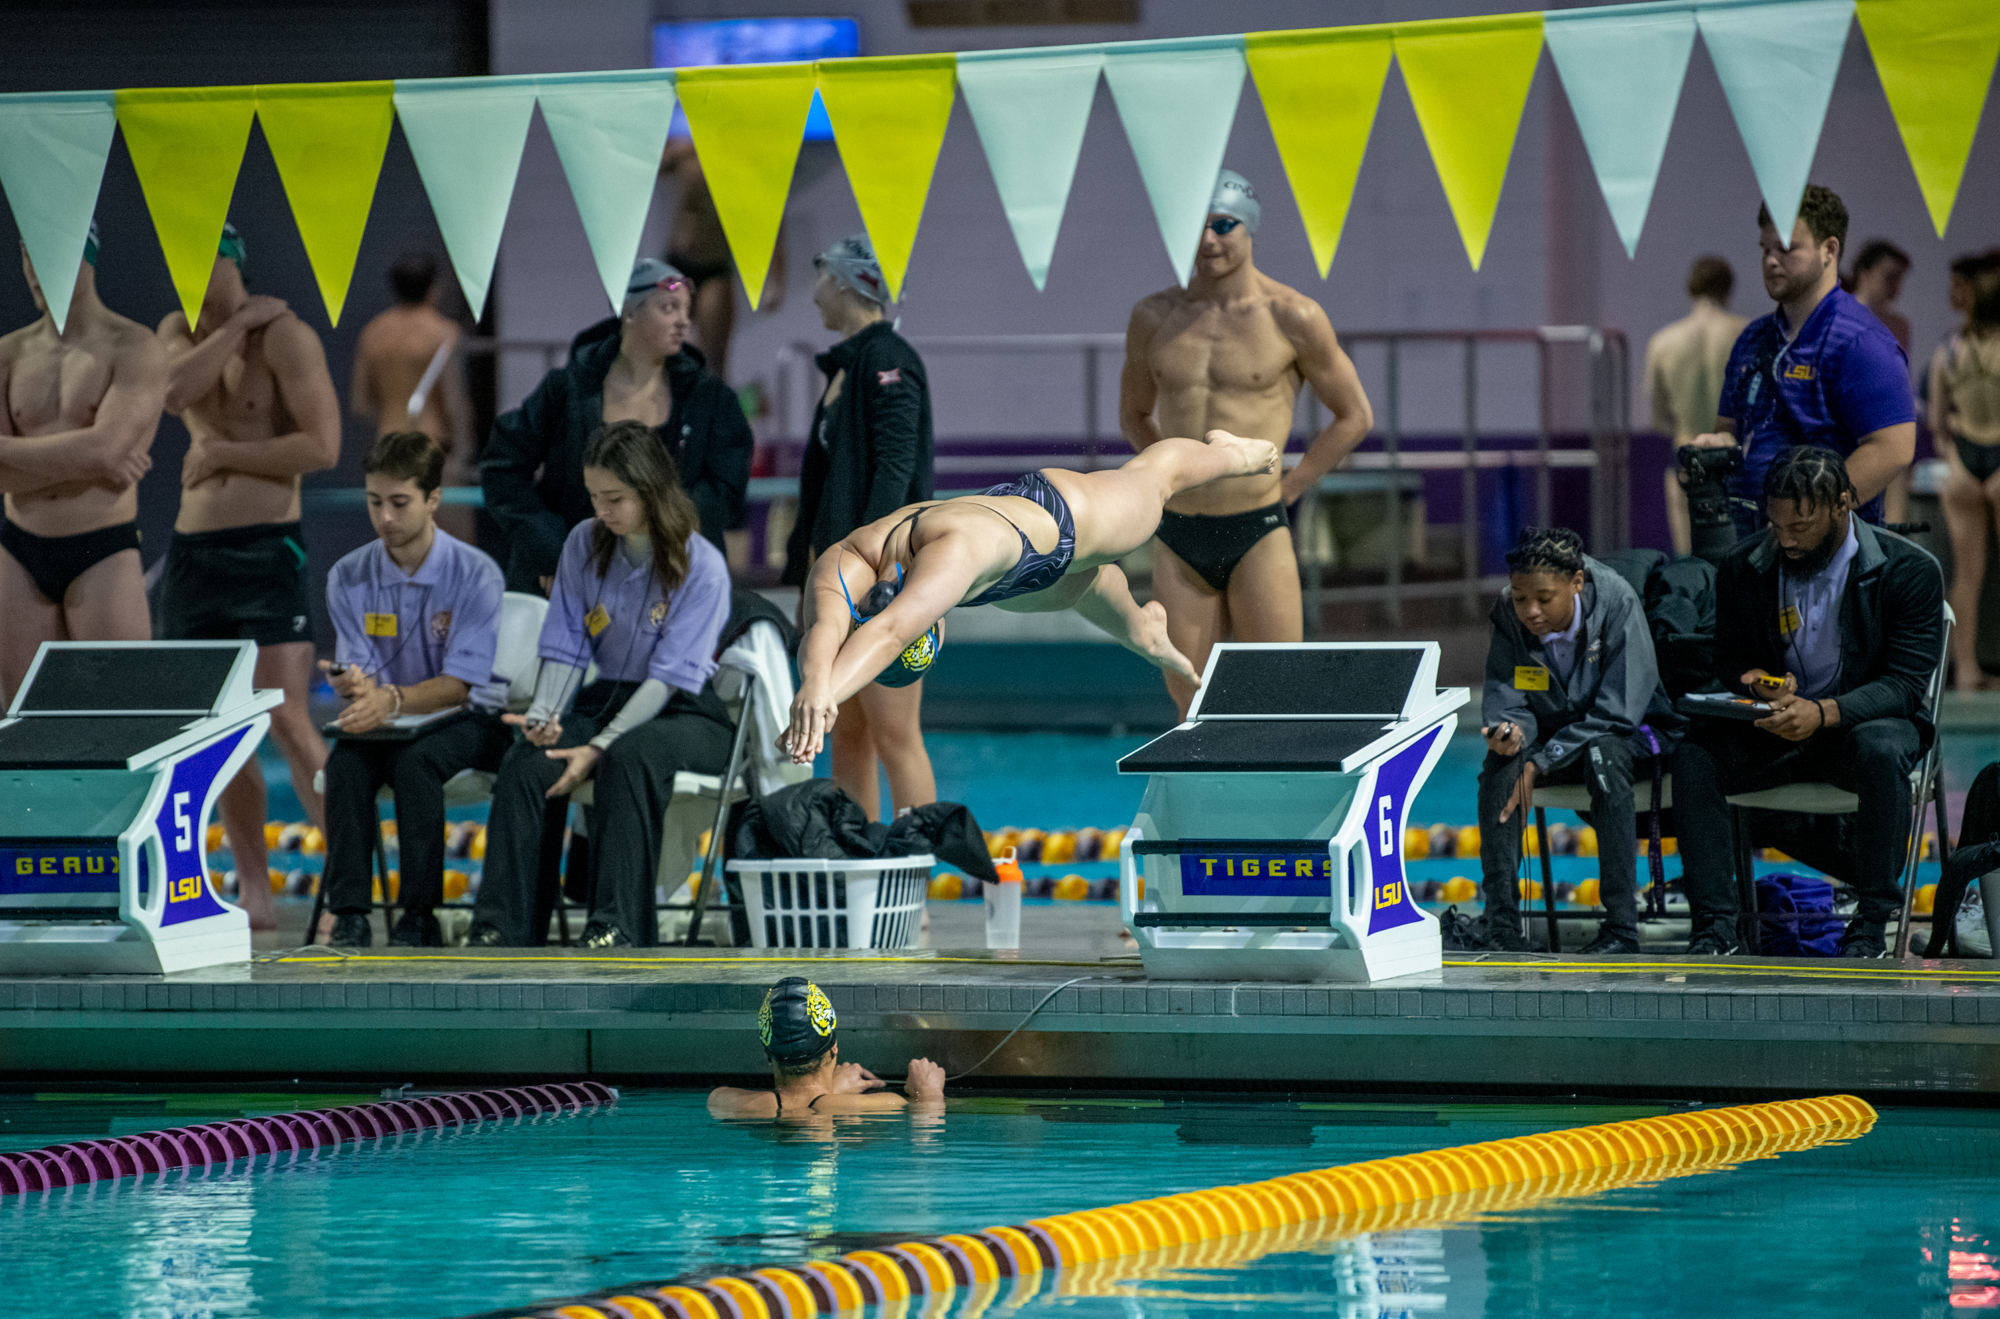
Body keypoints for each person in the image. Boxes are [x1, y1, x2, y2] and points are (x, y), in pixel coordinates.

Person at [783, 431, 1279, 764]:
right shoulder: (844, 560)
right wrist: (813, 686)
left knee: (1154, 480)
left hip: (1059, 516)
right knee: (1069, 585)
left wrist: (825, 696)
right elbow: (823, 631)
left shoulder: (951, 554)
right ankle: (1143, 629)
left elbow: (890, 633)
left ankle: (1235, 452)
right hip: (1013, 574)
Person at [467, 420, 732, 949]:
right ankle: (502, 927)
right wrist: (545, 715)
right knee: (525, 764)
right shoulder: (584, 545)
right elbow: (565, 643)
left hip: (684, 712)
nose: (601, 511)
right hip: (607, 695)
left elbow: (666, 680)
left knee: (629, 758)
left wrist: (599, 745)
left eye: (614, 498)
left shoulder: (701, 566)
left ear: (651, 491)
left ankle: (615, 925)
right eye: (593, 497)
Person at [1670, 447, 1944, 958]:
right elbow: (1731, 659)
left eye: (1801, 525)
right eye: (1776, 525)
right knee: (1695, 755)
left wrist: (1823, 713)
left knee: (1882, 750)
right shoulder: (1746, 564)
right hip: (1779, 726)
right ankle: (1714, 924)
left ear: (1843, 504)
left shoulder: (1907, 571)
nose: (1786, 539)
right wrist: (1757, 682)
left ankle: (1872, 919)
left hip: (1862, 726)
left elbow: (1904, 685)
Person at [1119, 169, 1374, 717]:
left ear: (1248, 228)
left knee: (1277, 696)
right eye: (1196, 226)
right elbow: (1134, 414)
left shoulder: (1292, 316)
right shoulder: (1154, 317)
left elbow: (1354, 415)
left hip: (1257, 529)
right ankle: (1205, 803)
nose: (1208, 240)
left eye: (1223, 225)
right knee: (1189, 699)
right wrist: (1162, 481)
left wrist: (1294, 485)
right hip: (1179, 532)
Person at [157, 222, 342, 931]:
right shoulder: (180, 329)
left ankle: (343, 879)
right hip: (196, 557)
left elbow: (320, 447)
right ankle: (255, 891)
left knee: (286, 718)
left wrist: (225, 452)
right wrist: (234, 325)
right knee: (219, 725)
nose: (183, 279)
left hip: (268, 553)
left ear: (226, 258)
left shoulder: (287, 337)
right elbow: (173, 394)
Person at [318, 431, 513, 947]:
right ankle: (352, 914)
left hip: (474, 720)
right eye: (374, 502)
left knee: (416, 762)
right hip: (391, 720)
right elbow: (364, 675)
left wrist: (391, 699)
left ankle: (419, 914)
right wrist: (354, 685)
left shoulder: (475, 576)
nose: (385, 518)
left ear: (433, 500)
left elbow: (461, 685)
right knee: (344, 764)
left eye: (400, 503)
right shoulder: (348, 575)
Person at [481, 259, 751, 593]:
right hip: (571, 580)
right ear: (630, 313)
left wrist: (666, 537)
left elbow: (726, 487)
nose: (683, 322)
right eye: (669, 308)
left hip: (673, 579)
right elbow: (503, 467)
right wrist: (551, 549)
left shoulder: (709, 398)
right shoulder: (568, 390)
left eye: (686, 310)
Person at [783, 235, 936, 820]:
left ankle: (915, 883)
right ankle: (859, 864)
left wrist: (882, 569)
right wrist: (805, 568)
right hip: (845, 576)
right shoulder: (847, 366)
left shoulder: (888, 360)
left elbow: (898, 467)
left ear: (845, 283)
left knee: (896, 734)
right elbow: (823, 485)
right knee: (845, 733)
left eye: (820, 277)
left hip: (885, 577)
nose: (814, 292)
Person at [1466, 528, 1673, 956]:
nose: (1531, 611)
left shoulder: (1617, 603)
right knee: (1499, 768)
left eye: (1544, 598)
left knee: (1604, 757)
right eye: (1521, 598)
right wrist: (1510, 733)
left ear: (1577, 582)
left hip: (1622, 733)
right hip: (1548, 736)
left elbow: (1617, 713)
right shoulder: (1508, 610)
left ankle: (1621, 927)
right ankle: (1501, 924)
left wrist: (1540, 761)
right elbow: (1508, 692)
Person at [1689, 186, 1917, 539]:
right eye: (1765, 249)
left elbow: (1894, 448)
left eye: (1785, 248)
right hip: (1751, 546)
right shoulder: (1753, 339)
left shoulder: (1860, 340)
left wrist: (1810, 515)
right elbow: (1728, 430)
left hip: (1830, 555)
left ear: (1829, 250)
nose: (1770, 260)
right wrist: (1715, 447)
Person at [0, 223, 167, 703]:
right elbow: (99, 453)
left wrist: (11, 450)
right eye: (26, 257)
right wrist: (90, 457)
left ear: (85, 257)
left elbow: (107, 450)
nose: (32, 272)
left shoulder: (134, 347)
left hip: (103, 552)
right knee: (23, 720)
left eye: (45, 256)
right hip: (18, 551)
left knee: (119, 716)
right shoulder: (9, 353)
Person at [349, 252, 474, 542]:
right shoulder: (443, 332)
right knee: (455, 551)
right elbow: (453, 404)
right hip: (434, 451)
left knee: (397, 550)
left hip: (386, 451)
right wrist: (462, 454)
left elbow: (361, 403)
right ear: (434, 288)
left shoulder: (373, 333)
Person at [707, 977, 945, 1118]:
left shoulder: (725, 1102)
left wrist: (832, 1092)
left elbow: (717, 1096)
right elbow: (925, 1116)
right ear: (834, 1047)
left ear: (768, 1053)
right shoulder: (884, 1104)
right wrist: (928, 1093)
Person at [658, 138, 784, 383]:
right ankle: (664, 416)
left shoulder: (747, 164)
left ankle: (711, 415)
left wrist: (775, 278)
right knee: (663, 354)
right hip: (677, 265)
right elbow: (647, 168)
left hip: (714, 267)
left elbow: (774, 221)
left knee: (714, 358)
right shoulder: (688, 153)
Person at [1646, 256, 1748, 555]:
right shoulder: (1745, 335)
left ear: (1691, 289)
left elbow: (1658, 417)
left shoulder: (1663, 342)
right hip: (1733, 457)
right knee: (1738, 559)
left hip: (1686, 455)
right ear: (1729, 289)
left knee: (1690, 560)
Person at [1930, 259, 2000, 691]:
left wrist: (1956, 460)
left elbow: (1938, 423)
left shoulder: (1946, 351)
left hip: (1961, 463)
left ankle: (1967, 671)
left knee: (1967, 575)